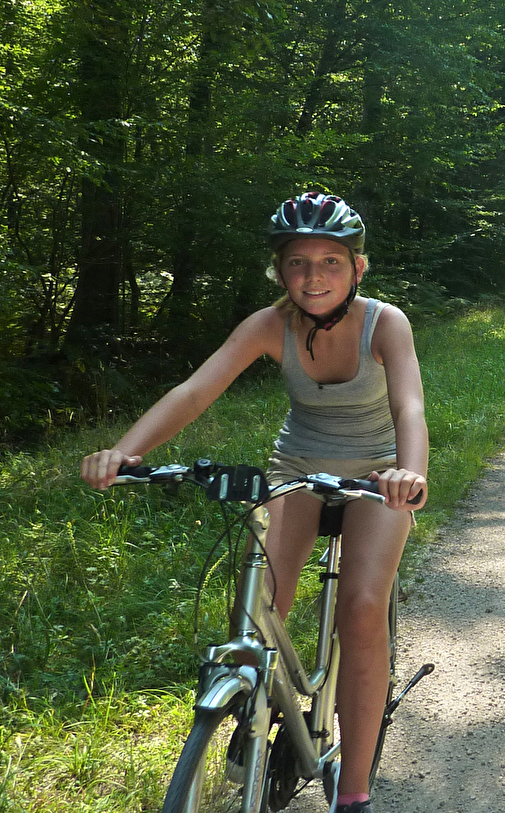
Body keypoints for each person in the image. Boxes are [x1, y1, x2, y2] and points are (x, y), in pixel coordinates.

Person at [80, 192, 427, 813]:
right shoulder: (269, 326)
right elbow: (195, 390)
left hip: (377, 476)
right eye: (297, 262)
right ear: (279, 270)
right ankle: (259, 698)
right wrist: (123, 451)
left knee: (364, 604)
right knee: (263, 603)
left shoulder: (385, 322)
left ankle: (352, 792)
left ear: (358, 269)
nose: (313, 276)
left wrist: (409, 472)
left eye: (330, 262)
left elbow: (410, 406)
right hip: (296, 469)